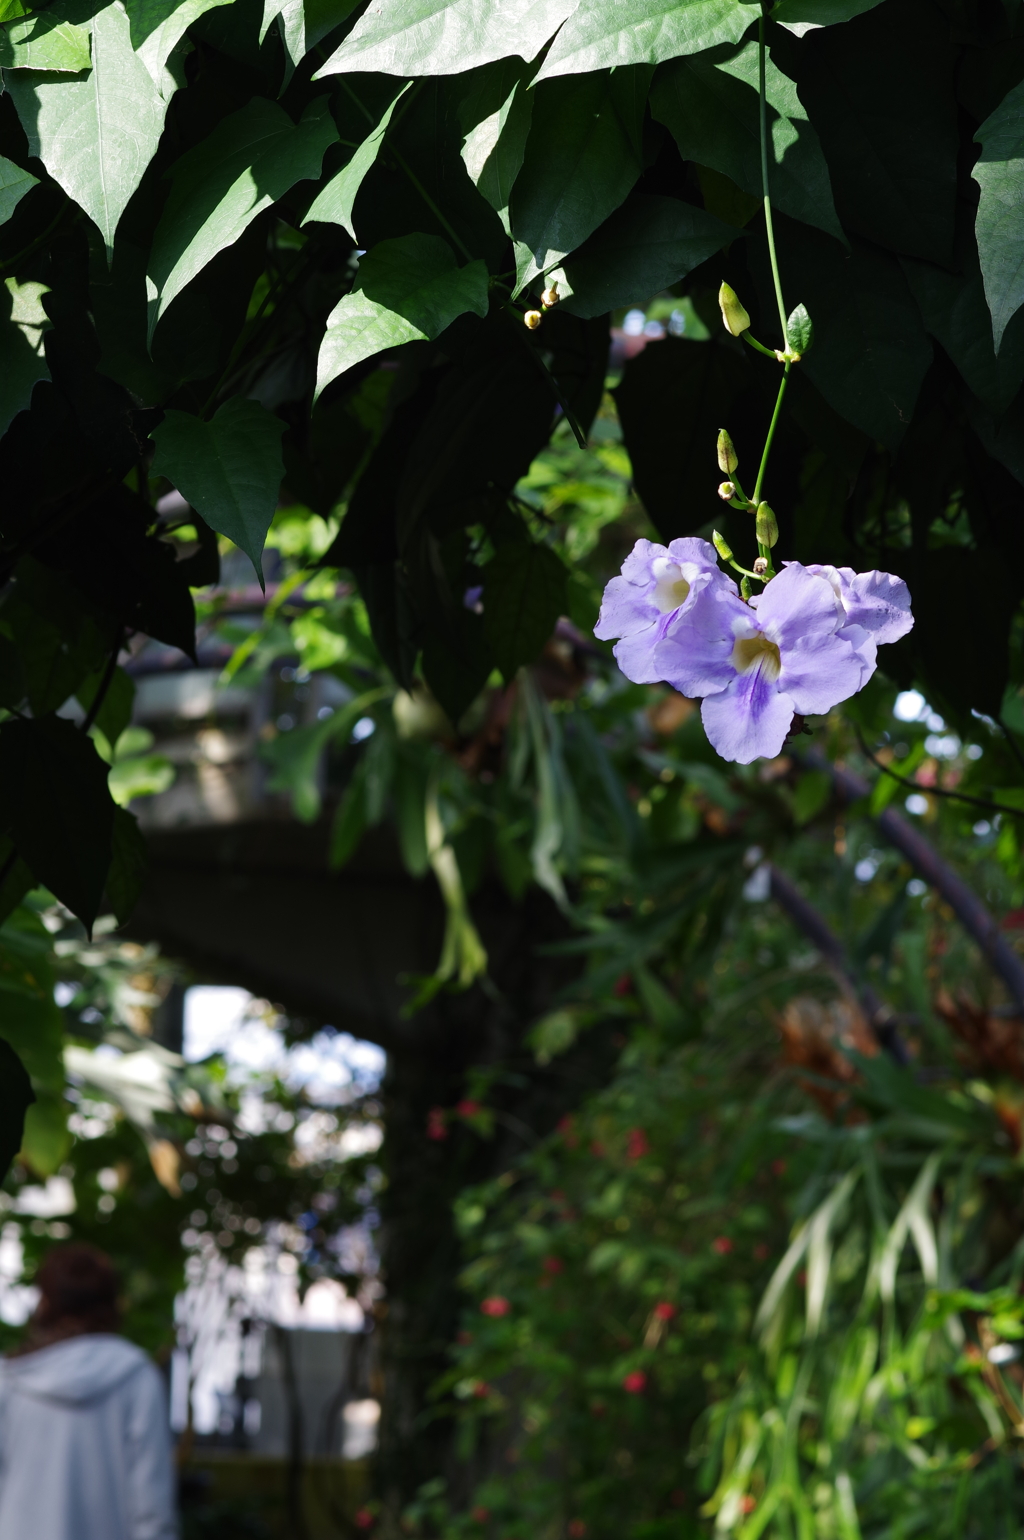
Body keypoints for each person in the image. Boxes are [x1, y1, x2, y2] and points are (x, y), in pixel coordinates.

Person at [0, 1242, 177, 1539]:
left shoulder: (11, 1378)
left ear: (45, 1301)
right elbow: (151, 1504)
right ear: (112, 1302)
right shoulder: (136, 1376)